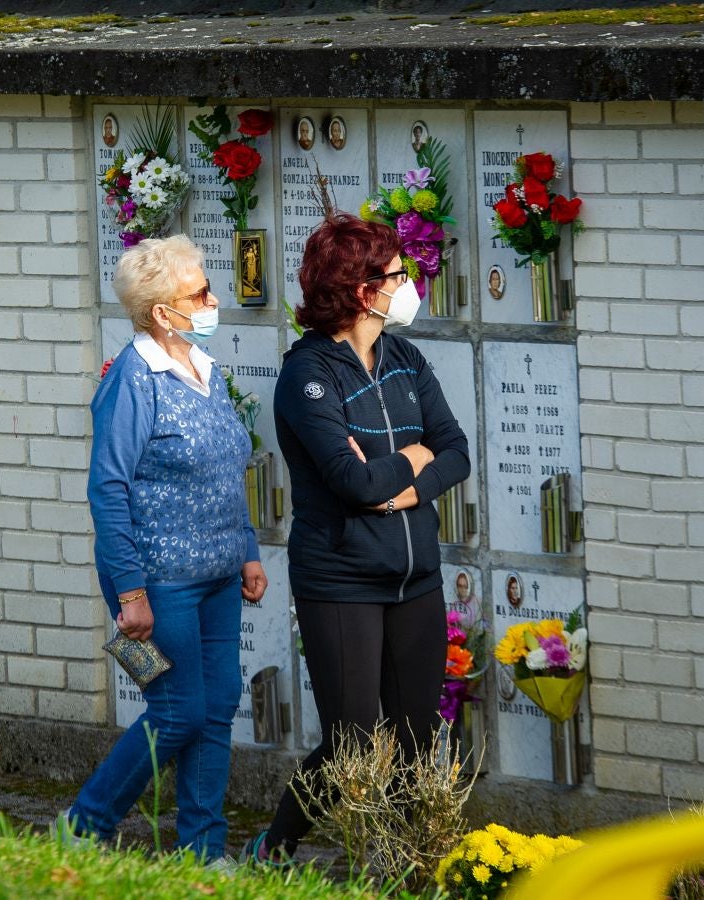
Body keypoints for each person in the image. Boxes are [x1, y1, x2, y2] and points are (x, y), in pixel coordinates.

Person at [248, 213, 470, 865]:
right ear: (359, 289)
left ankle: (410, 862)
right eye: (398, 274)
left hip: (415, 578)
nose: (410, 284)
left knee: (415, 734)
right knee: (351, 742)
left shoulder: (405, 358)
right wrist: (415, 457)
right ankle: (276, 844)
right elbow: (351, 481)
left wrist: (401, 479)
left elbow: (455, 450)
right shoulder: (309, 375)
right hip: (341, 581)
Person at [58, 234, 268, 863]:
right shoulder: (133, 380)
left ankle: (203, 851)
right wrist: (129, 590)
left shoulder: (207, 370)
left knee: (218, 705)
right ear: (161, 312)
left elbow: (229, 468)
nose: (213, 300)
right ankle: (84, 825)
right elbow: (108, 489)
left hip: (219, 573)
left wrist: (249, 549)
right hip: (160, 580)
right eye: (198, 293)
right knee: (177, 711)